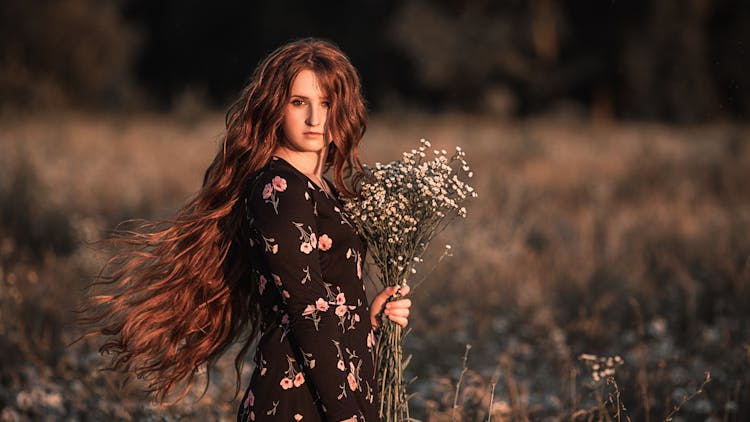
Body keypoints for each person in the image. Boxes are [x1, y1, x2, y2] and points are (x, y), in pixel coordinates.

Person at [85, 38, 412, 422]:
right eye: (299, 102)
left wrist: (367, 318)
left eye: (326, 103)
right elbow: (305, 310)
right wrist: (347, 416)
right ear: (275, 106)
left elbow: (323, 300)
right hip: (303, 398)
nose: (315, 119)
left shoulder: (322, 188)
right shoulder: (281, 188)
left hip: (334, 385)